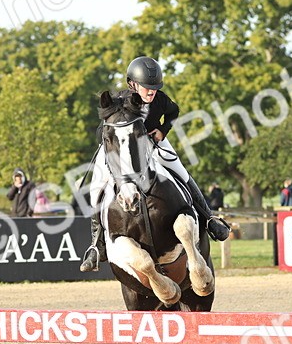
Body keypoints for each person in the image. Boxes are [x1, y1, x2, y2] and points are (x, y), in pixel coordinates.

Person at [81, 56, 231, 271]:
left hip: (154, 141)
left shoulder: (160, 99)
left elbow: (174, 112)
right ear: (132, 84)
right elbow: (109, 125)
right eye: (147, 87)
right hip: (123, 149)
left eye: (155, 87)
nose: (151, 92)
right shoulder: (122, 100)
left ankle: (209, 218)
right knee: (97, 183)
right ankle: (96, 244)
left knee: (181, 171)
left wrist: (163, 130)